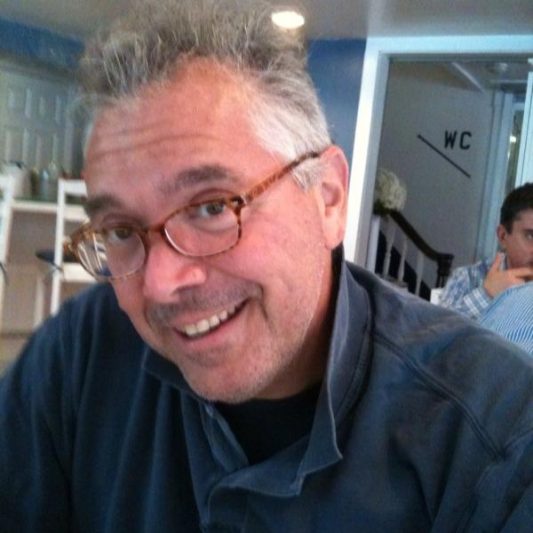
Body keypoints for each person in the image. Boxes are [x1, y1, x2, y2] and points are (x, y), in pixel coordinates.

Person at [1, 1, 532, 531]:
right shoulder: (79, 355)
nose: (160, 284)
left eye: (212, 207)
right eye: (120, 231)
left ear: (328, 198)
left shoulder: (494, 436)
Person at [439, 182, 533, 320]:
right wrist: (486, 295)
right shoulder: (467, 279)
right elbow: (434, 330)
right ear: (503, 236)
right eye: (530, 236)